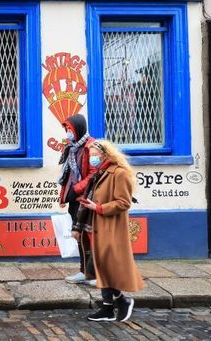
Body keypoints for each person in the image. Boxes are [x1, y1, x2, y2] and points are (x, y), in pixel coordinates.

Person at [79, 140, 144, 322]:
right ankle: (108, 308)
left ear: (105, 155)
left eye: (94, 155)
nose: (92, 159)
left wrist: (98, 207)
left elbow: (123, 202)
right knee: (101, 267)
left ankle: (122, 300)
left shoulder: (119, 173)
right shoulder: (100, 173)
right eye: (90, 155)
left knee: (107, 268)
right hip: (98, 226)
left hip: (111, 227)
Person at [57, 115, 97, 285]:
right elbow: (67, 175)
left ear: (79, 128)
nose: (68, 133)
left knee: (90, 237)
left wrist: (77, 188)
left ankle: (95, 274)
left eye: (70, 130)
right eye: (66, 130)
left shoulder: (92, 147)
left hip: (87, 199)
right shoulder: (71, 148)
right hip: (74, 199)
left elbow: (94, 174)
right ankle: (83, 271)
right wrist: (63, 196)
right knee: (78, 237)